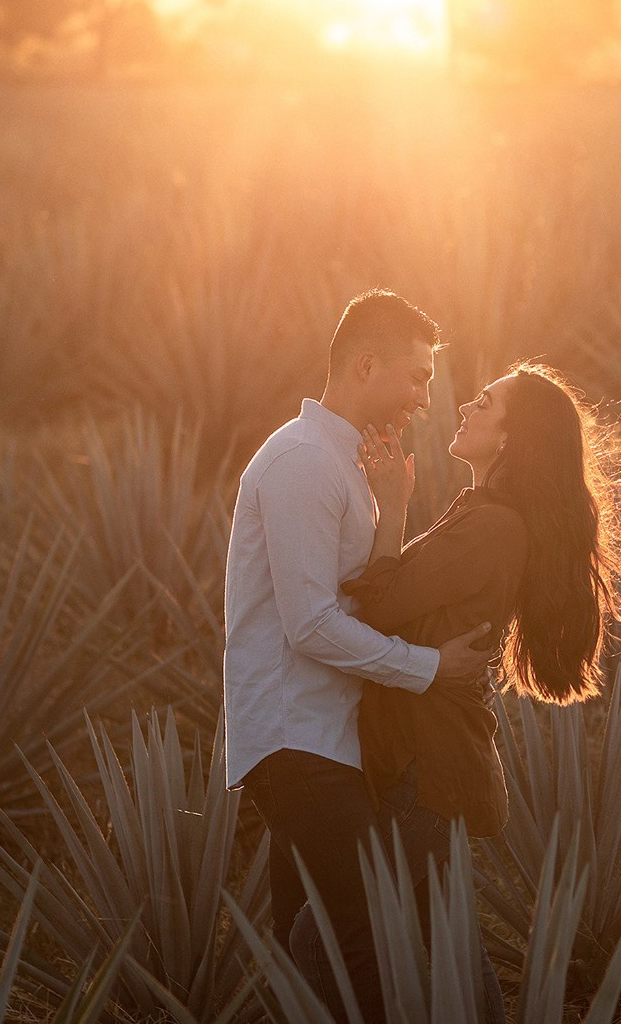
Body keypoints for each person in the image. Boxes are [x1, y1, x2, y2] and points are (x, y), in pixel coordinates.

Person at [221, 289, 493, 1016]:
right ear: (366, 364)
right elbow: (310, 623)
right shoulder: (304, 461)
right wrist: (431, 668)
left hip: (327, 739)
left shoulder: (349, 464)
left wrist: (393, 509)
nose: (423, 400)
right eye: (417, 377)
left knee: (306, 957)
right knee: (370, 939)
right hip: (296, 738)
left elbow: (366, 598)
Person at [343, 362, 621, 1016]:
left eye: (485, 403)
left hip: (426, 770)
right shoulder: (479, 512)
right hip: (422, 763)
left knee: (319, 946)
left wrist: (392, 506)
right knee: (459, 967)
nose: (466, 408)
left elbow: (377, 607)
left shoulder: (494, 528)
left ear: (511, 439)